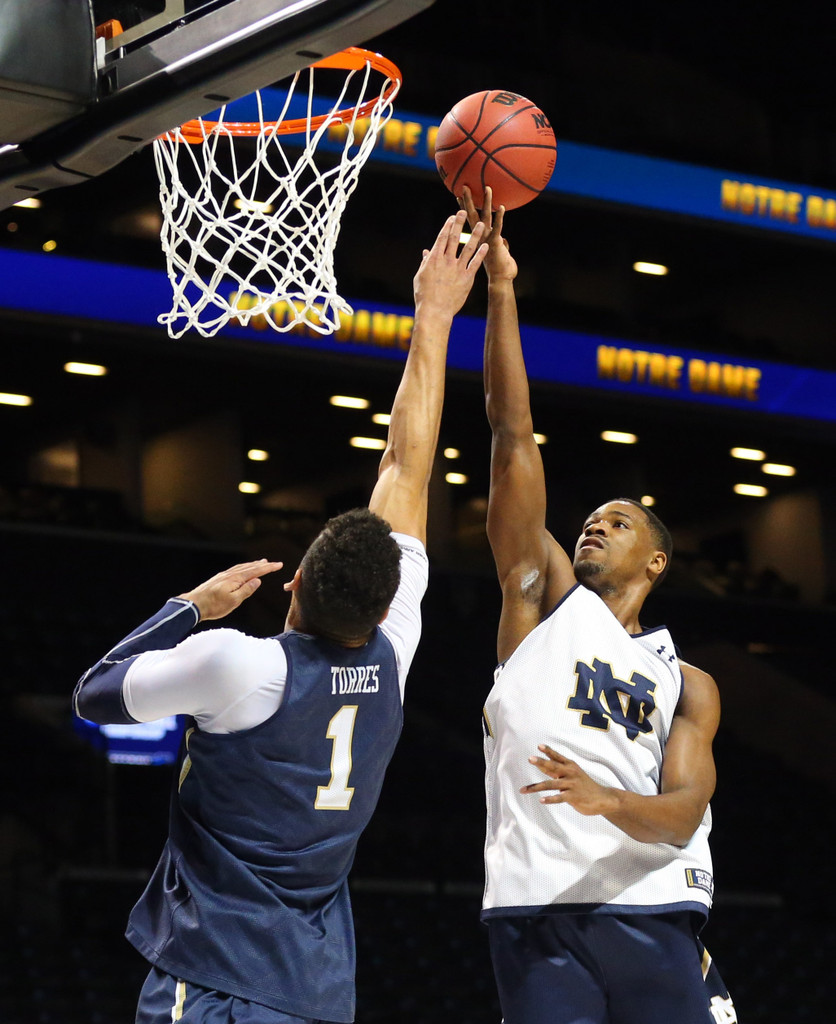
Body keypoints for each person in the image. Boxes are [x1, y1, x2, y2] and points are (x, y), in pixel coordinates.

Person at [73, 210, 488, 1024]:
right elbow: (408, 465)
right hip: (316, 989)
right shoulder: (396, 653)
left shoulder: (239, 665)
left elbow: (94, 695)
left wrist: (189, 607)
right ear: (386, 606)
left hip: (217, 977)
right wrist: (437, 319)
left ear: (292, 581)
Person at [461, 187, 737, 1024]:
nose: (594, 526)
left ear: (655, 561)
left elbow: (684, 813)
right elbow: (511, 435)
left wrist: (607, 800)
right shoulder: (542, 605)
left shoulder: (688, 682)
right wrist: (501, 289)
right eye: (590, 519)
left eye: (617, 523)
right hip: (535, 907)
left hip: (652, 905)